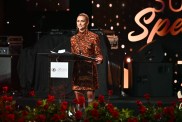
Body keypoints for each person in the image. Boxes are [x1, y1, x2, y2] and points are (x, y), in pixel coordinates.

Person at [70, 13, 103, 104]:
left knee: (90, 100)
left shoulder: (94, 37)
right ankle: (79, 117)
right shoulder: (73, 39)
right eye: (78, 21)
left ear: (87, 22)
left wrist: (99, 58)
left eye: (82, 21)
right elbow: (73, 54)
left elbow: (98, 53)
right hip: (78, 71)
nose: (79, 23)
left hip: (89, 70)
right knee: (79, 101)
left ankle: (91, 117)